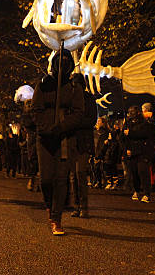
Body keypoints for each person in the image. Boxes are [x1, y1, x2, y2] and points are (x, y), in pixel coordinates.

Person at [31, 48, 84, 236]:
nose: (63, 65)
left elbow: (78, 113)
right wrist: (46, 128)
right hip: (45, 139)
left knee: (61, 180)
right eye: (59, 61)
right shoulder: (43, 85)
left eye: (66, 62)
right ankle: (49, 204)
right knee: (46, 179)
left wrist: (61, 127)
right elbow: (36, 109)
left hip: (64, 139)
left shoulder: (74, 88)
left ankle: (56, 218)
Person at [70, 73, 97, 219]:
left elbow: (91, 120)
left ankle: (84, 207)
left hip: (84, 141)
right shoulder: (70, 99)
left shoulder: (89, 99)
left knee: (80, 173)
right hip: (72, 141)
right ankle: (76, 206)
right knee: (73, 176)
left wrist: (75, 122)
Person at [123, 105, 155, 203]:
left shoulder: (146, 124)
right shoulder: (128, 123)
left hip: (143, 152)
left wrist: (130, 133)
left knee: (143, 172)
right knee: (134, 173)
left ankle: (147, 193)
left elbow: (144, 134)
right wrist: (127, 149)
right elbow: (123, 138)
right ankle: (136, 190)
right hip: (132, 152)